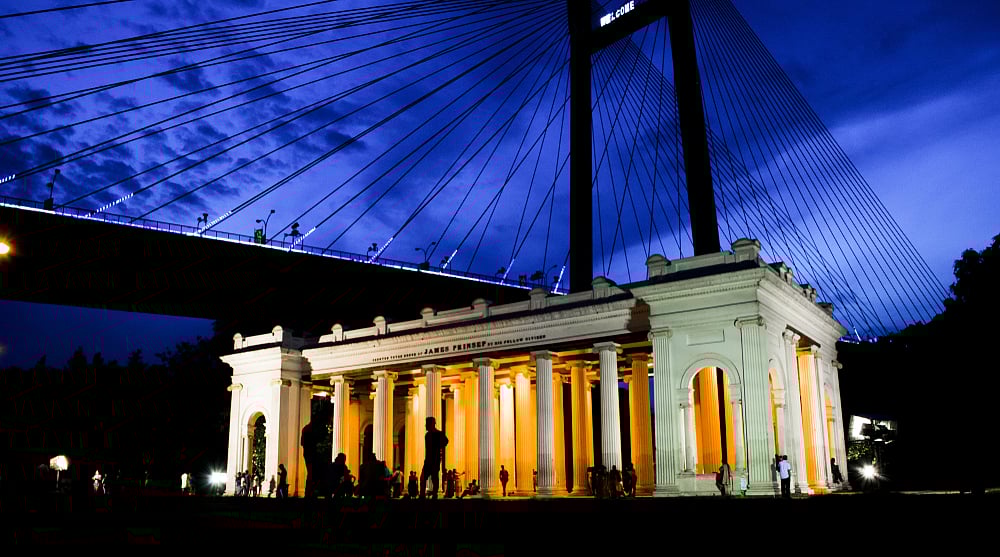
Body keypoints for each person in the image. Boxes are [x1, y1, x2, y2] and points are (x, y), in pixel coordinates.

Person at [420, 416, 448, 499]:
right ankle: (423, 494)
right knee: (424, 477)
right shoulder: (427, 435)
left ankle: (434, 494)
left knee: (434, 477)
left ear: (431, 424)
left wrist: (438, 447)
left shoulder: (438, 434)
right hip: (429, 459)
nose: (425, 425)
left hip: (435, 459)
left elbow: (446, 441)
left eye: (427, 424)